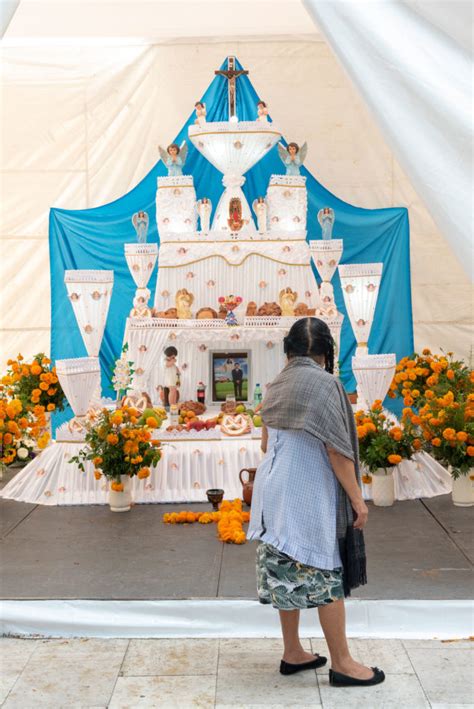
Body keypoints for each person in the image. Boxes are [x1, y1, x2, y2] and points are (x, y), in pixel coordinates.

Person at [247, 317, 385, 688]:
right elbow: (337, 451)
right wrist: (359, 500)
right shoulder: (326, 384)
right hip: (303, 493)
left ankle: (293, 652)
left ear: (289, 350)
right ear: (325, 352)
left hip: (271, 492)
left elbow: (264, 444)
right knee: (326, 572)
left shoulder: (277, 383)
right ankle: (342, 663)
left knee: (285, 568)